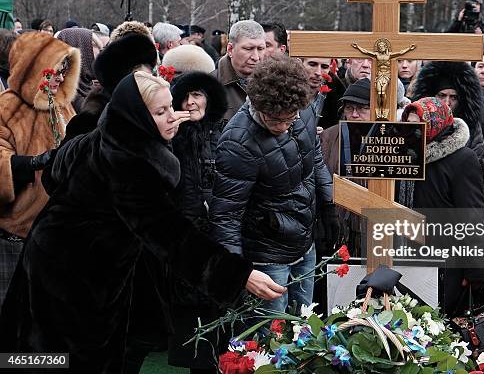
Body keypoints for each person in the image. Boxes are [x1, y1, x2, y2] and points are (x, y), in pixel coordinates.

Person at [0, 71, 284, 372]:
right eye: (160, 112)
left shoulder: (109, 134)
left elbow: (57, 170)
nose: (172, 116)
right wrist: (239, 275)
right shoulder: (128, 161)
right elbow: (169, 233)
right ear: (137, 115)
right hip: (74, 278)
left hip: (61, 259)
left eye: (170, 107)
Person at [210, 54, 336, 313]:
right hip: (266, 255)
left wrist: (329, 203)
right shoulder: (238, 142)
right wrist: (239, 273)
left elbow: (315, 158)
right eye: (275, 120)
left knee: (305, 324)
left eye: (290, 118)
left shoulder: (302, 110)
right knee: (270, 338)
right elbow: (226, 215)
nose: (284, 125)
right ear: (258, 104)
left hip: (304, 238)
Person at [0, 32, 80, 307]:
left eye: (63, 72)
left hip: (57, 235)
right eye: (53, 72)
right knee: (9, 322)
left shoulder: (64, 108)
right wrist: (32, 163)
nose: (59, 78)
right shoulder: (6, 107)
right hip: (15, 237)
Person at [398, 96, 484, 316]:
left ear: (436, 126)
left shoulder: (462, 158)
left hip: (447, 260)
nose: (413, 132)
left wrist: (476, 270)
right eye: (408, 126)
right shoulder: (403, 157)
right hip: (405, 253)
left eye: (419, 126)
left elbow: (472, 216)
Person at [167, 71, 230, 372]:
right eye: (186, 96)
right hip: (185, 237)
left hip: (221, 235)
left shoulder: (223, 132)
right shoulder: (170, 137)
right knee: (194, 325)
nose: (191, 102)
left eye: (198, 95)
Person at [320, 78, 371, 255]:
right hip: (336, 227)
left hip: (375, 229)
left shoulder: (390, 138)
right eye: (350, 108)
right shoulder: (328, 137)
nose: (355, 114)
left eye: (363, 108)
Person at [410, 61, 484, 166]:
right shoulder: (415, 122)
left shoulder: (472, 127)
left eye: (453, 97)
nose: (446, 103)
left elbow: (475, 163)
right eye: (442, 95)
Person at [212, 20, 266, 122]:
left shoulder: (275, 84)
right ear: (230, 49)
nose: (256, 57)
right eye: (248, 48)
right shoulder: (210, 86)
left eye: (260, 48)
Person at [56, 27, 104, 113]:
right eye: (95, 46)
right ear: (83, 51)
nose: (102, 55)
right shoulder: (66, 94)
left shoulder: (89, 85)